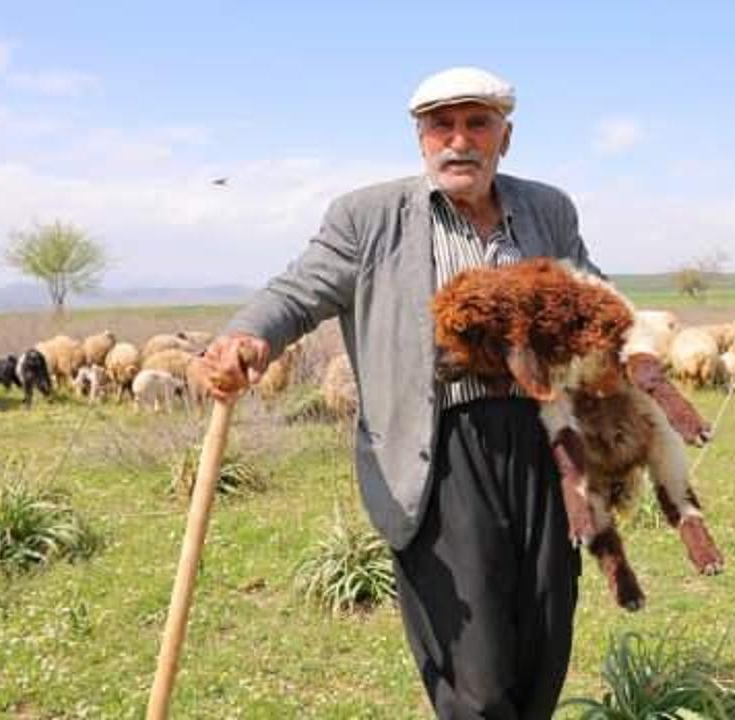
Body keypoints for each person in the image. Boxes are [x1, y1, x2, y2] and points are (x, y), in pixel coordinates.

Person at [190, 66, 602, 718]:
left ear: (505, 137)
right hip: (438, 450)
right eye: (442, 126)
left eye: (477, 124)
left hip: (541, 448)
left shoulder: (548, 209)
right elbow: (298, 291)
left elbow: (588, 299)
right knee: (478, 675)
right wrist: (246, 338)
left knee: (541, 645)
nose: (458, 141)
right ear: (421, 139)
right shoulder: (370, 217)